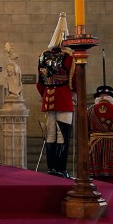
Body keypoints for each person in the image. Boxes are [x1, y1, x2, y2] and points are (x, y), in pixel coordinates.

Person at [37, 12, 74, 177]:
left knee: (50, 132)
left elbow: (40, 82)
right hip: (63, 96)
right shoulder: (68, 56)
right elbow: (74, 80)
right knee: (63, 135)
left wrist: (44, 93)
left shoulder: (42, 56)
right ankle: (60, 169)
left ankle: (51, 168)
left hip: (48, 96)